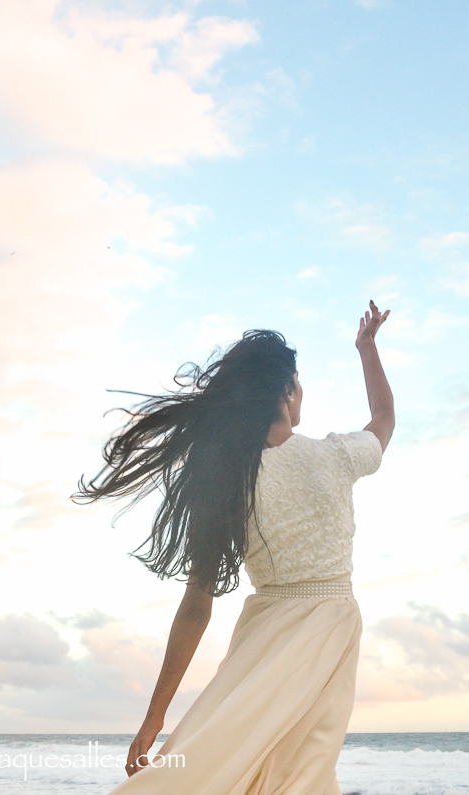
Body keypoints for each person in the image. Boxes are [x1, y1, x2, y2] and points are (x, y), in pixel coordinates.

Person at [74, 301, 393, 794]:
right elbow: (384, 419)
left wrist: (156, 714)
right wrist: (367, 349)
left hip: (262, 643)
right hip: (328, 632)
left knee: (227, 772)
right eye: (298, 380)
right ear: (287, 390)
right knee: (301, 779)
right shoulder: (335, 457)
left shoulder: (227, 482)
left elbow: (196, 606)